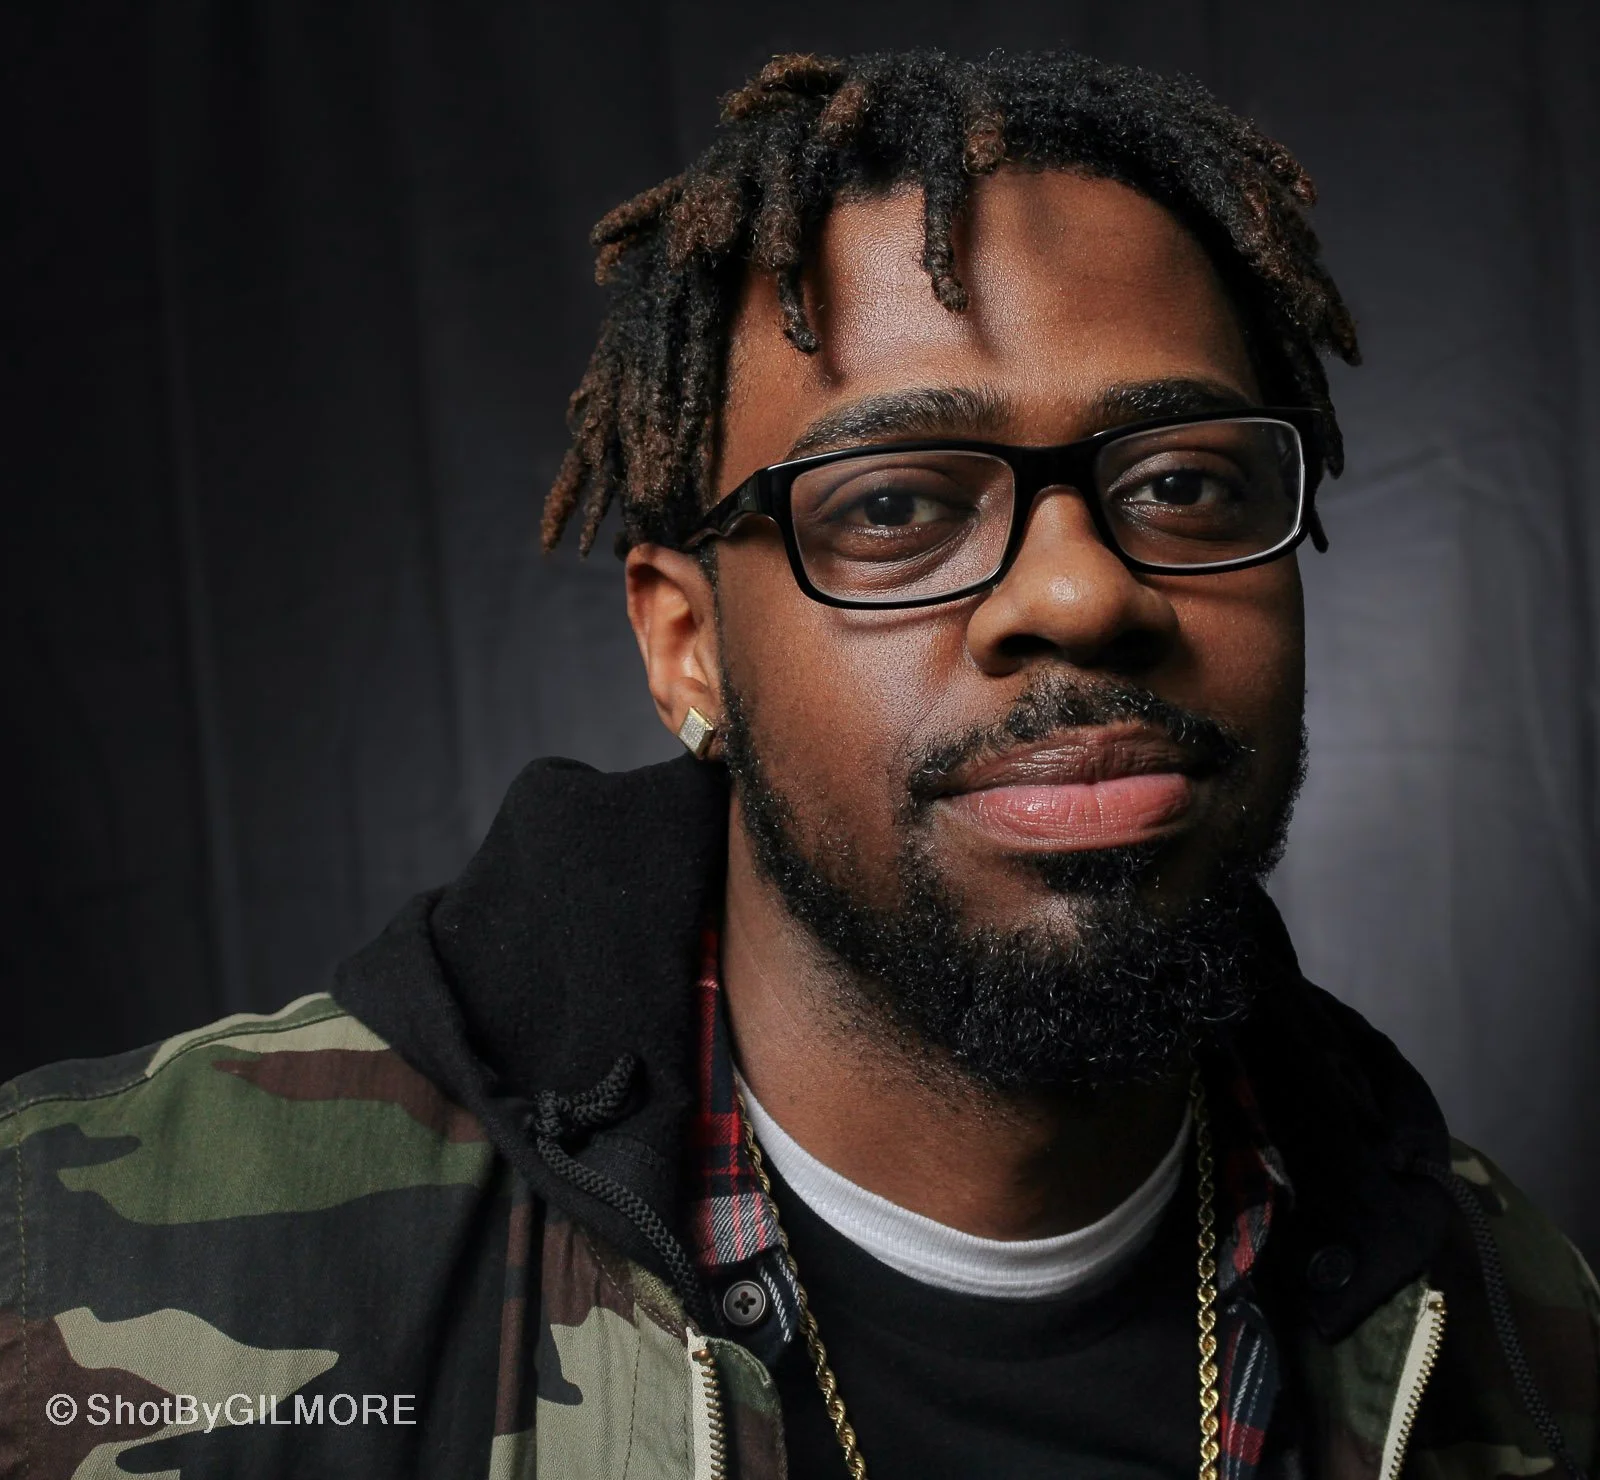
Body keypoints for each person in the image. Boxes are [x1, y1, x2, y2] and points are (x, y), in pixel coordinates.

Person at [1, 48, 1594, 1480]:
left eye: (1180, 480)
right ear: (685, 646)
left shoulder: (1513, 1318)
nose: (1081, 592)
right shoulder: (84, 1265)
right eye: (895, 505)